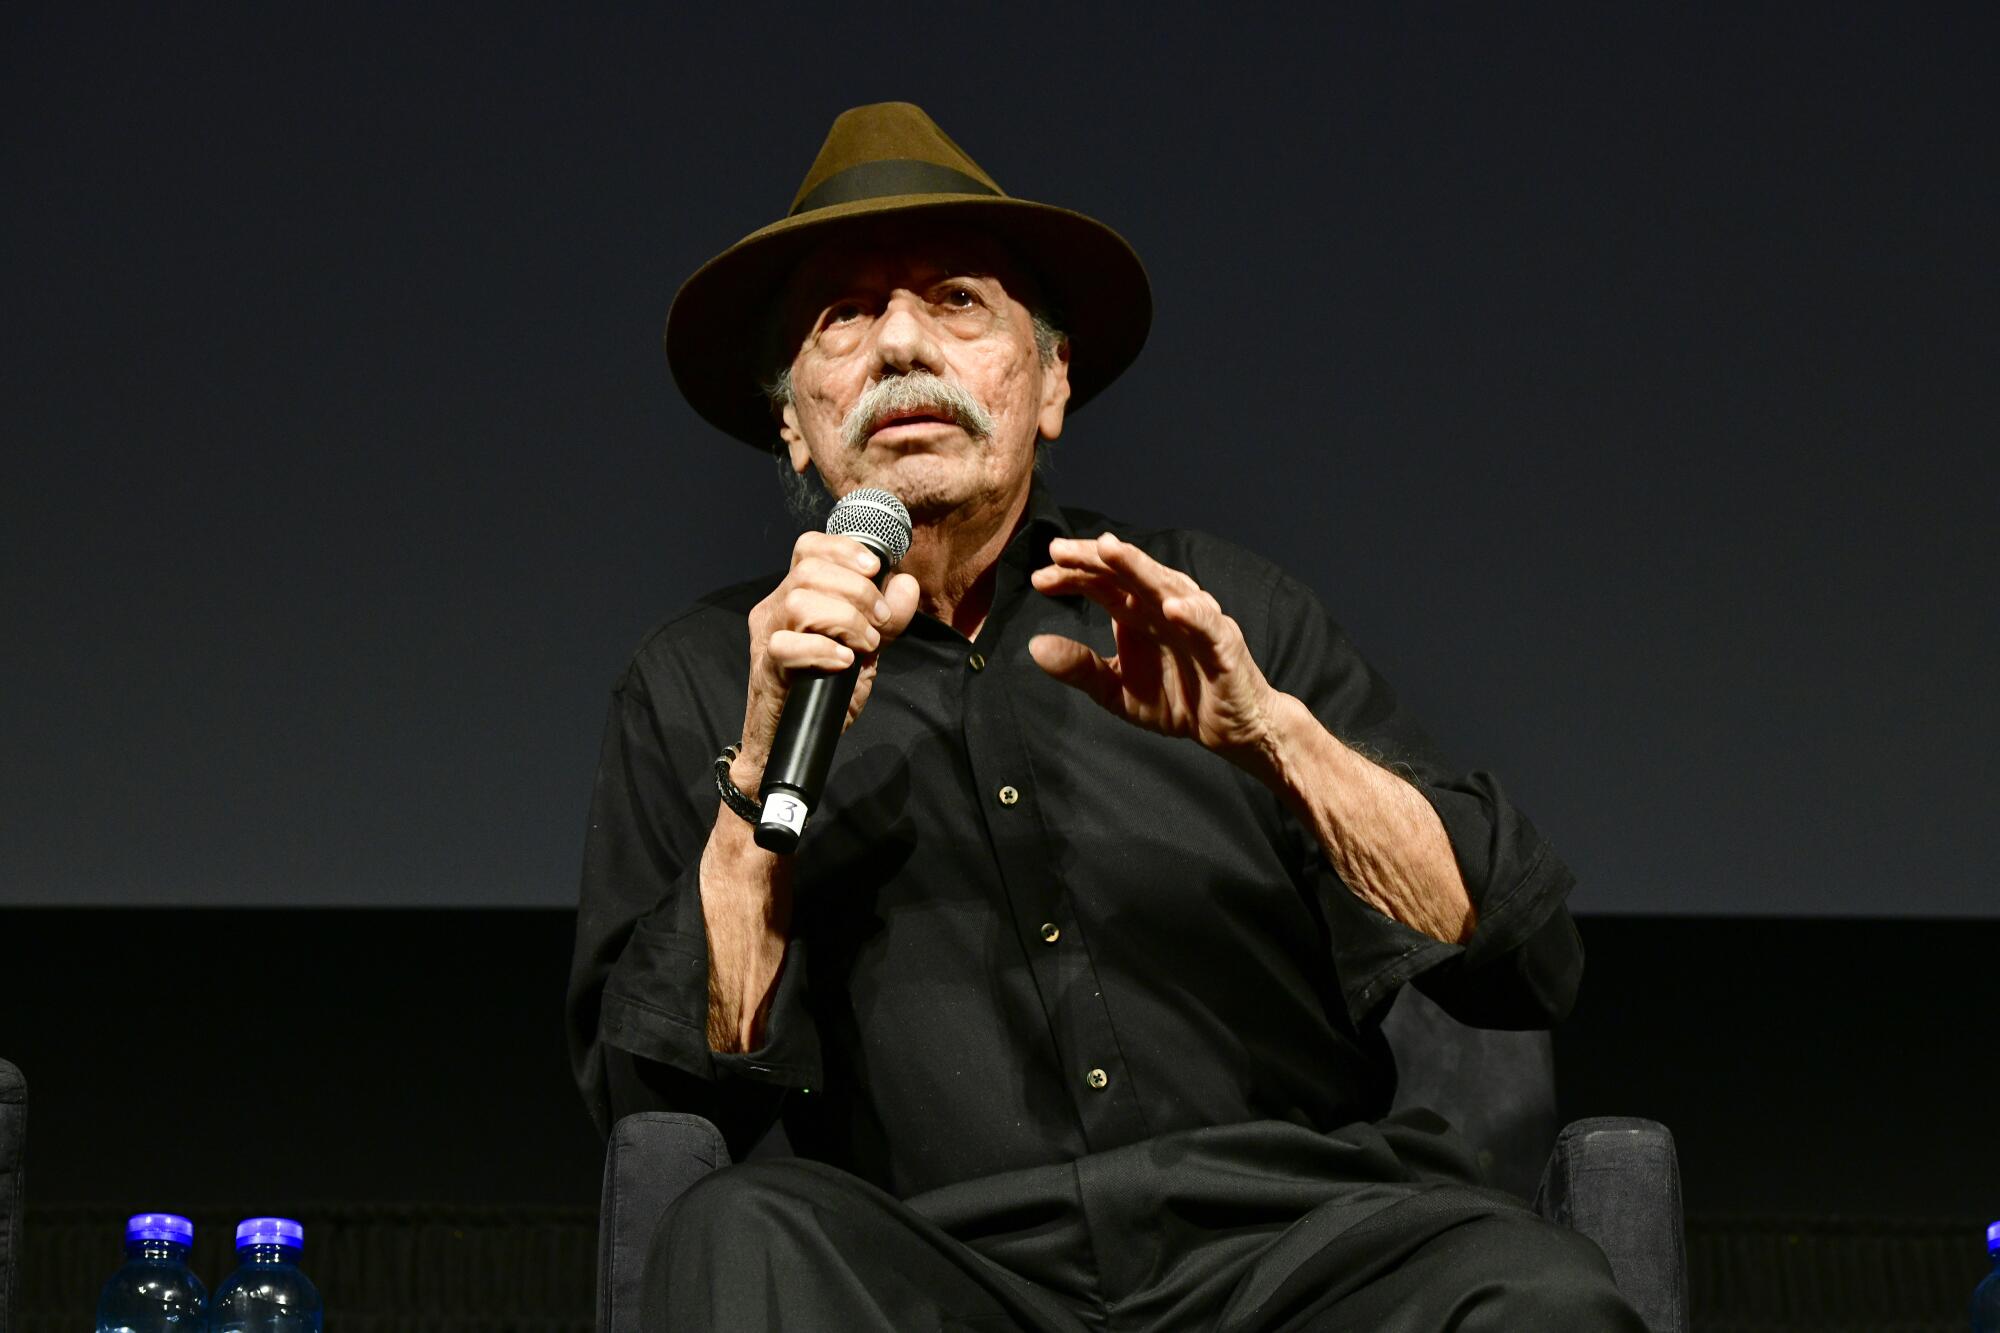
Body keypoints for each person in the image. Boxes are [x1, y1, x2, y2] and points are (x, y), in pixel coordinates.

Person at [566, 102, 1645, 1330]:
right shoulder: (708, 676)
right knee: (737, 1233)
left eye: (957, 300)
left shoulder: (1217, 611)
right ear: (793, 421)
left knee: (1530, 1291)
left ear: (1050, 383)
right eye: (845, 314)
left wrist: (1271, 737)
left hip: (1286, 1257)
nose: (900, 343)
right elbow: (658, 1095)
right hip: (940, 1272)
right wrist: (759, 769)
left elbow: (1520, 948)